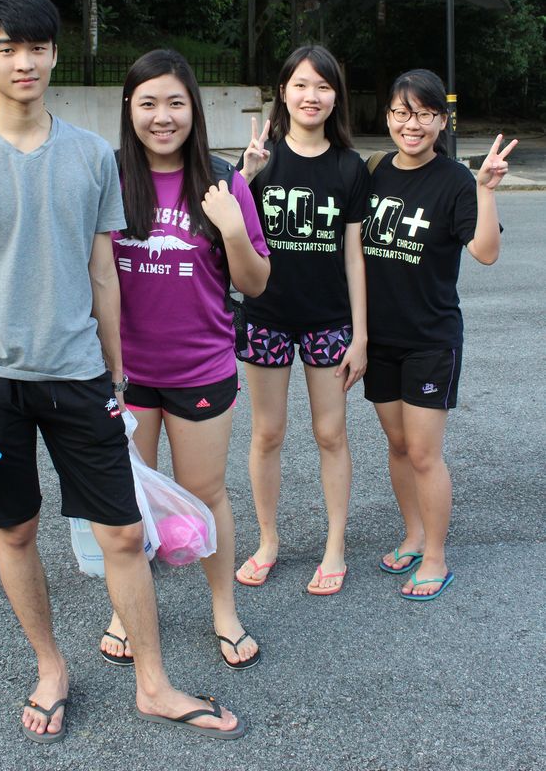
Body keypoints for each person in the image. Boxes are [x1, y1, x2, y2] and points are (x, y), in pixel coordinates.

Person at [0, 0, 246, 743]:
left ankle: (154, 683)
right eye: (7, 49)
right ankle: (50, 667)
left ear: (54, 56)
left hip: (80, 378)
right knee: (16, 532)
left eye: (36, 47)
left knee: (124, 535)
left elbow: (105, 274)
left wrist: (118, 376)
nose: (24, 62)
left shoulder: (94, 158)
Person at [100, 49, 270, 671]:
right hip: (126, 373)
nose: (162, 116)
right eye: (148, 103)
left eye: (175, 102)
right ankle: (127, 607)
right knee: (130, 499)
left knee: (205, 491)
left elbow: (255, 283)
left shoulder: (222, 182)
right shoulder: (108, 177)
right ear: (130, 109)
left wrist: (232, 226)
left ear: (193, 109)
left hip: (201, 369)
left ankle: (223, 607)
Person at [362, 69, 517, 600]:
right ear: (389, 116)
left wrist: (485, 189)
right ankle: (413, 535)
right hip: (379, 338)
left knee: (425, 453)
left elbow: (486, 252)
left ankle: (435, 556)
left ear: (442, 121)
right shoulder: (374, 170)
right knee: (398, 444)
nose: (412, 124)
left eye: (425, 114)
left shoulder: (454, 181)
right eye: (402, 113)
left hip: (431, 339)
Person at [234, 45, 368, 596]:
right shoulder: (260, 160)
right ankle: (268, 540)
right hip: (266, 316)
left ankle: (334, 545)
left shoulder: (350, 166)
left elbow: (355, 256)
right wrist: (246, 174)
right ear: (283, 93)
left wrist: (361, 335)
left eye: (323, 86)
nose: (312, 96)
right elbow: (227, 233)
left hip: (328, 320)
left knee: (330, 433)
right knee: (267, 433)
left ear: (336, 97)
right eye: (301, 85)